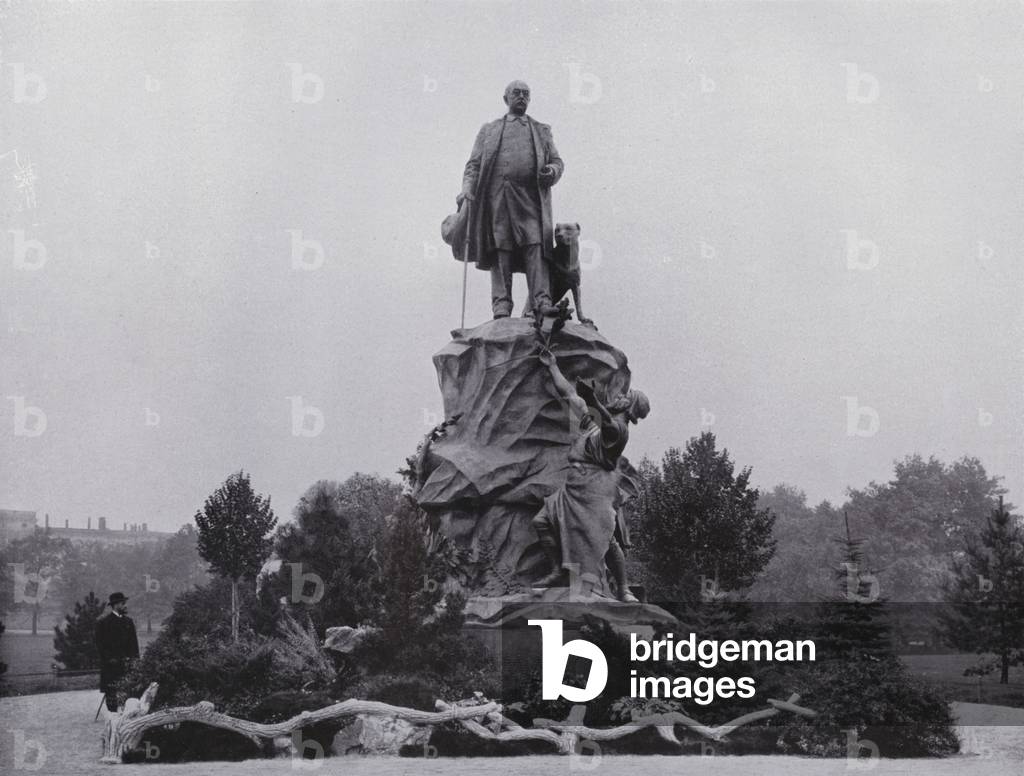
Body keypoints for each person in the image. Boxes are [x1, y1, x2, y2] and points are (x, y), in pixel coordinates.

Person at [530, 348, 650, 598]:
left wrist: (595, 402)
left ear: (630, 407)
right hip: (572, 488)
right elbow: (570, 395)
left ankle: (624, 589)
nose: (620, 396)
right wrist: (552, 366)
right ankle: (558, 570)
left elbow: (610, 427)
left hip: (595, 491)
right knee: (541, 521)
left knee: (605, 539)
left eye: (626, 396)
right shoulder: (591, 424)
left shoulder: (619, 432)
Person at [459, 80, 565, 319]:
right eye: (516, 93)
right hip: (499, 199)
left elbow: (557, 162)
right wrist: (467, 189)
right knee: (501, 248)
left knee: (535, 247)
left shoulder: (541, 130)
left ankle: (541, 301)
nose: (522, 97)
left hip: (531, 201)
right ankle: (501, 306)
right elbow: (473, 165)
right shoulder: (490, 130)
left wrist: (552, 171)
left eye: (526, 94)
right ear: (505, 98)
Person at [94, 591, 139, 712]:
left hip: (127, 663)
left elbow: (134, 644)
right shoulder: (104, 623)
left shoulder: (128, 622)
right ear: (114, 605)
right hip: (111, 664)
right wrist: (109, 659)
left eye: (125, 603)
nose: (125, 606)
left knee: (129, 688)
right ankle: (112, 714)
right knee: (111, 690)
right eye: (122, 603)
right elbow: (100, 644)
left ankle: (127, 712)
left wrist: (135, 660)